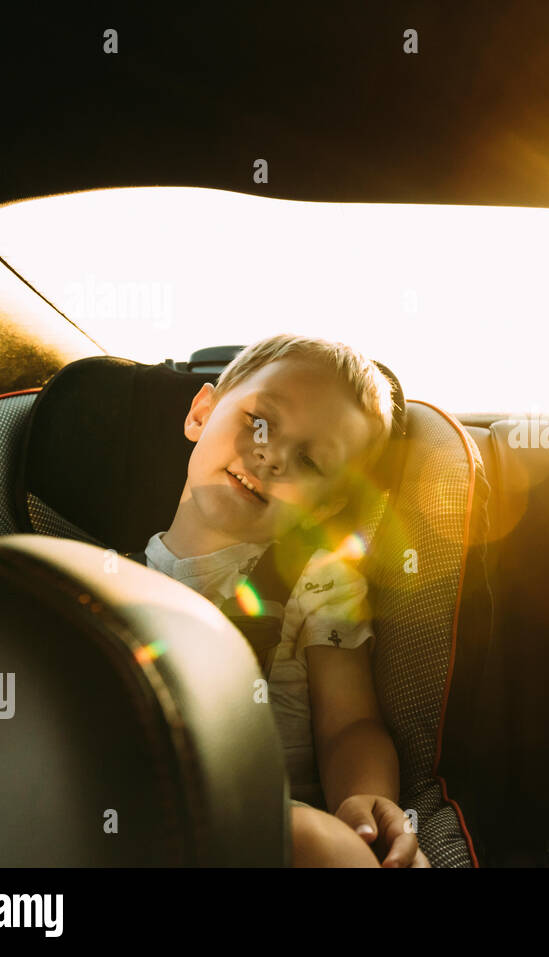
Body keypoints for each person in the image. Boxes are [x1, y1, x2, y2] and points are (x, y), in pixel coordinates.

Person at [139, 334, 427, 867]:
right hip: (139, 824)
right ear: (201, 413)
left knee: (319, 842)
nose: (270, 455)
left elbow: (349, 725)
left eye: (311, 462)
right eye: (258, 421)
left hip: (266, 832)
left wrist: (364, 803)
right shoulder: (108, 576)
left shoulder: (317, 582)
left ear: (326, 505)